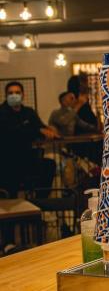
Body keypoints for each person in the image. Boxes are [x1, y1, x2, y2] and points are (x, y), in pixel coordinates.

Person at [0, 81, 58, 255]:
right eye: (11, 92)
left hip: (27, 162)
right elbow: (13, 132)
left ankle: (39, 201)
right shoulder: (1, 113)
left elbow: (40, 127)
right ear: (6, 95)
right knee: (9, 200)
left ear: (23, 94)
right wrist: (37, 130)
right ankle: (8, 241)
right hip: (6, 164)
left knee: (49, 164)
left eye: (17, 92)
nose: (14, 95)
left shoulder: (28, 112)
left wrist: (49, 130)